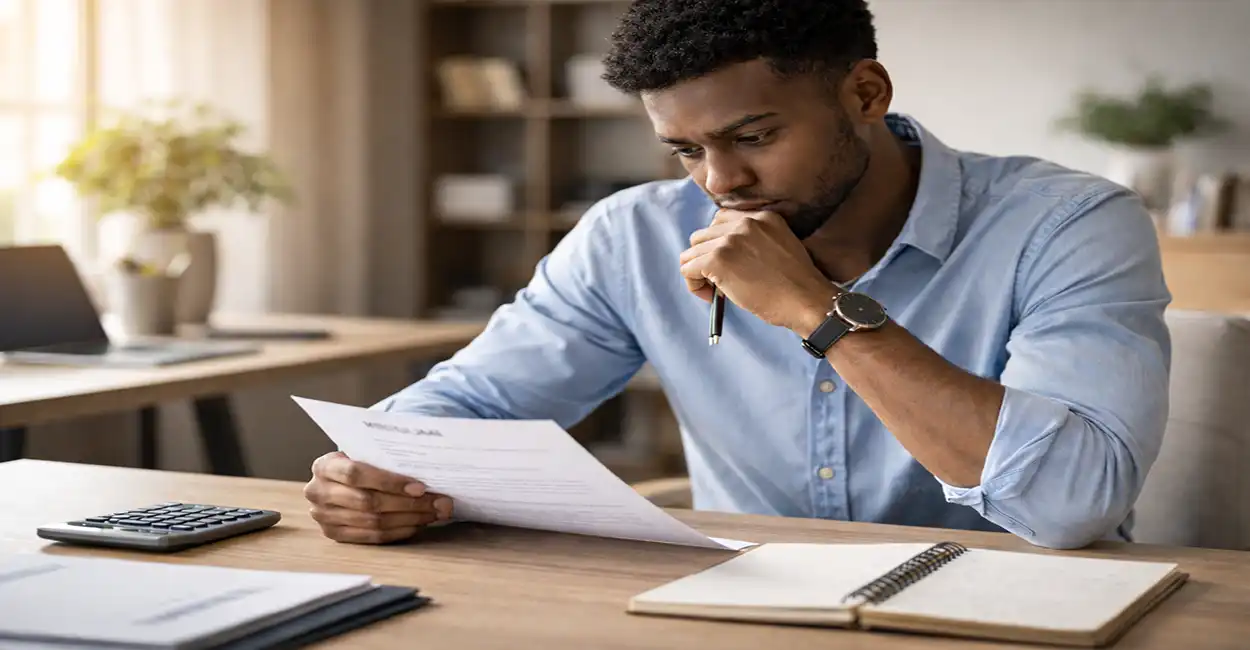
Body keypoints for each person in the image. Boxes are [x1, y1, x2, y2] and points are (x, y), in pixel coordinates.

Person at [302, 0, 1171, 550]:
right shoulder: (632, 236)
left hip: (1017, 619)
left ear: (866, 94)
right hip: (748, 613)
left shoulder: (1068, 224)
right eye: (686, 149)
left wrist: (818, 310)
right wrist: (376, 473)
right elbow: (467, 411)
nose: (719, 183)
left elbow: (1072, 503)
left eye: (754, 137)